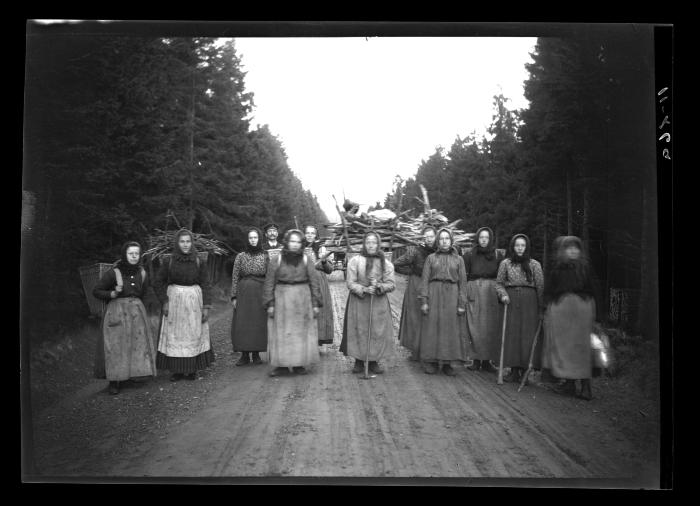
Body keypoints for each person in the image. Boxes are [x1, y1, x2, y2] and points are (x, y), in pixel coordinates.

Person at [93, 241, 157, 395]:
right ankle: (114, 381)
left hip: (136, 312)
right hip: (117, 312)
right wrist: (112, 294)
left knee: (136, 343)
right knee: (116, 346)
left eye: (137, 254)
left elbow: (147, 292)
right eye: (131, 254)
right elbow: (97, 291)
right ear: (124, 254)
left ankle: (131, 375)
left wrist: (148, 309)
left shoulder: (142, 272)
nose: (134, 257)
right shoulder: (114, 272)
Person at [154, 229, 214, 381]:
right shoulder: (169, 261)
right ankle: (177, 371)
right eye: (182, 242)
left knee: (193, 335)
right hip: (174, 302)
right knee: (175, 336)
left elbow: (206, 284)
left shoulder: (199, 261)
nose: (185, 245)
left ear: (192, 243)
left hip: (194, 303)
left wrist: (206, 306)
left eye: (188, 241)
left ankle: (192, 370)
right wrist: (165, 301)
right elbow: (157, 282)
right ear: (177, 243)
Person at [542, 236, 597, 400]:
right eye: (569, 248)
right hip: (562, 315)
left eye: (576, 248)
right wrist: (544, 308)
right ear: (563, 251)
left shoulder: (585, 269)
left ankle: (586, 387)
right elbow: (549, 291)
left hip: (582, 313)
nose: (573, 251)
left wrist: (598, 316)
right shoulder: (557, 269)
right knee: (565, 349)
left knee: (582, 348)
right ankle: (569, 384)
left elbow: (594, 290)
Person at [263, 229, 322, 376]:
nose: (295, 244)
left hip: (302, 299)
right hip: (282, 297)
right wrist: (270, 303)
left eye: (298, 242)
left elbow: (314, 282)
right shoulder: (277, 260)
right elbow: (269, 282)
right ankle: (281, 365)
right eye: (292, 241)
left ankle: (298, 364)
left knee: (300, 332)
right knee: (282, 332)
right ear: (286, 242)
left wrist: (315, 303)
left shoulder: (306, 259)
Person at [340, 231, 395, 374]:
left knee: (376, 331)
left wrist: (379, 286)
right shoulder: (355, 261)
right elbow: (350, 283)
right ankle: (359, 360)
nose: (371, 245)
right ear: (364, 244)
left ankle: (373, 361)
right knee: (359, 330)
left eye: (374, 242)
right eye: (368, 242)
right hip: (359, 302)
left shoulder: (386, 263)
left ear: (378, 244)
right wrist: (364, 289)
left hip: (378, 303)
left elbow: (391, 284)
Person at [418, 228, 469, 375]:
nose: (444, 241)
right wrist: (424, 301)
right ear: (438, 241)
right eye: (441, 239)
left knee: (450, 328)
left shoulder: (459, 259)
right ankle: (432, 361)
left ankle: (448, 363)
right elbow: (425, 280)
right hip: (434, 293)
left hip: (452, 295)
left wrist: (461, 303)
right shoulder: (431, 258)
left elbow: (463, 283)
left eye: (447, 238)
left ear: (451, 241)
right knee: (432, 327)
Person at [495, 234, 544, 383]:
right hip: (511, 301)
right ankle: (514, 370)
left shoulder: (535, 264)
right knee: (513, 335)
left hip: (530, 303)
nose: (520, 248)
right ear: (513, 247)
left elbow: (540, 287)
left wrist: (541, 308)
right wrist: (503, 295)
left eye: (523, 245)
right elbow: (499, 283)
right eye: (517, 245)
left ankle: (525, 371)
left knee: (527, 336)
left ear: (527, 247)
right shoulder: (506, 263)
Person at [463, 227, 505, 373]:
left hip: (491, 292)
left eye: (486, 237)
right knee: (474, 325)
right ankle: (475, 359)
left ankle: (487, 361)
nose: (484, 240)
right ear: (477, 238)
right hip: (474, 289)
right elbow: (465, 275)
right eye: (481, 237)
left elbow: (501, 276)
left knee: (489, 326)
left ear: (490, 239)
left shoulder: (498, 255)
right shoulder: (469, 255)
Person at [392, 226, 437, 361]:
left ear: (436, 237)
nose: (429, 239)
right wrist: (411, 273)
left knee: (431, 317)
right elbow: (396, 264)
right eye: (426, 237)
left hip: (433, 286)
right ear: (423, 238)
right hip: (416, 286)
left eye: (432, 236)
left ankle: (430, 349)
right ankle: (416, 350)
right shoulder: (415, 251)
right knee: (415, 317)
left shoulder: (439, 252)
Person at [230, 227, 269, 366]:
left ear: (259, 239)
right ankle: (244, 354)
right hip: (244, 293)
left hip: (260, 292)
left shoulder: (266, 256)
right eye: (251, 238)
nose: (253, 240)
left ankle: (256, 354)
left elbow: (269, 276)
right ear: (247, 239)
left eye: (255, 237)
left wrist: (269, 296)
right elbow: (235, 276)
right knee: (243, 323)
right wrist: (234, 296)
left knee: (258, 323)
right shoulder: (240, 256)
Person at [302, 225, 335, 346]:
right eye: (307, 233)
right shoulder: (299, 248)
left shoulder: (322, 249)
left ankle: (319, 338)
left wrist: (324, 260)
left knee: (319, 311)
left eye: (312, 233)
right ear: (304, 234)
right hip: (304, 283)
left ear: (316, 235)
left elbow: (330, 270)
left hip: (319, 283)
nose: (310, 235)